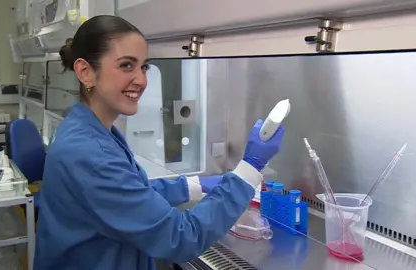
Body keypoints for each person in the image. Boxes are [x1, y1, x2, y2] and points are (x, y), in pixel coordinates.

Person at [34, 15, 285, 270]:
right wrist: (250, 167)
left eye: (144, 67)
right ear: (86, 72)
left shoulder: (92, 129)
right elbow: (181, 238)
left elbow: (132, 194)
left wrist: (197, 185)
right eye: (126, 66)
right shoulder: (87, 152)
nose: (142, 80)